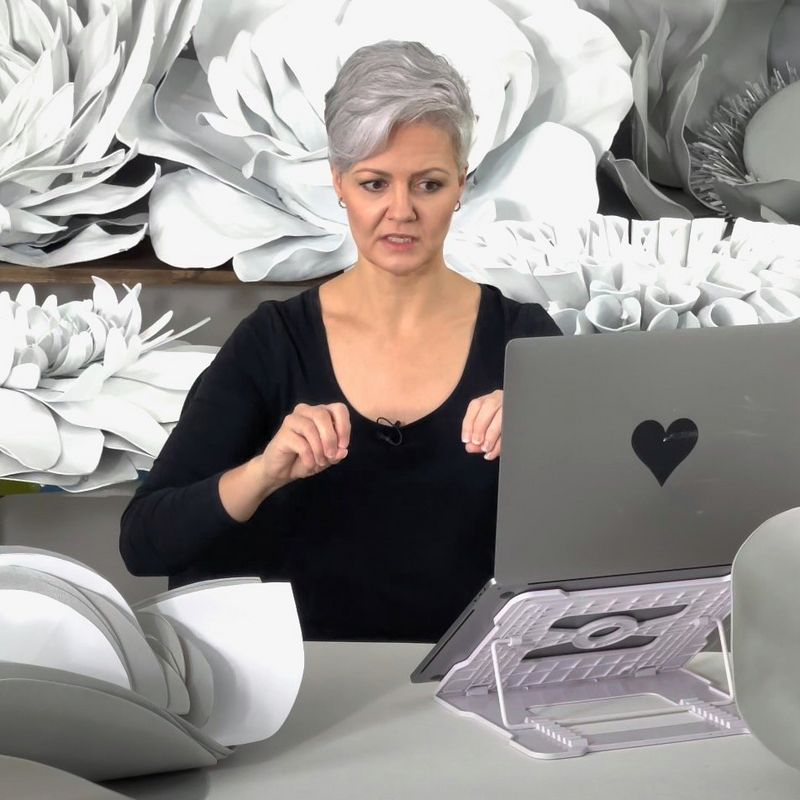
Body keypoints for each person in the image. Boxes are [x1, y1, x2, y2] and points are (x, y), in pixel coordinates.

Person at [120, 40, 561, 642]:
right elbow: (143, 541)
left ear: (462, 184)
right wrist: (264, 472)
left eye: (427, 184)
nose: (400, 210)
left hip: (477, 690)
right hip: (304, 697)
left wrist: (547, 448)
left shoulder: (527, 342)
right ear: (339, 184)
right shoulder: (271, 344)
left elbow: (601, 542)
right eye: (375, 183)